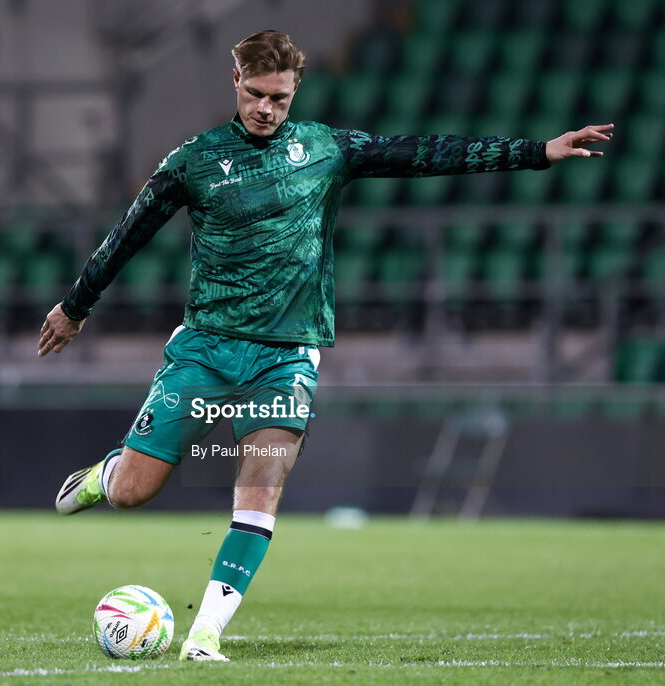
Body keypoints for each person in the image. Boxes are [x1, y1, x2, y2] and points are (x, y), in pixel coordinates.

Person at [39, 30, 611, 661]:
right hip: (206, 346)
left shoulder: (324, 148)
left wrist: (536, 152)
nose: (265, 109)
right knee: (134, 492)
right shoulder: (193, 160)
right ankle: (101, 477)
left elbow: (423, 152)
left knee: (262, 484)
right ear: (235, 80)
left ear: (295, 91)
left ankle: (204, 636)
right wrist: (75, 306)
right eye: (256, 94)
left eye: (279, 99)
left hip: (288, 353)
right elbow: (129, 231)